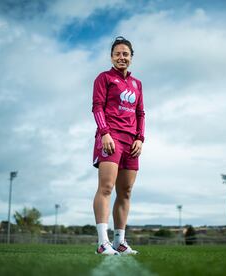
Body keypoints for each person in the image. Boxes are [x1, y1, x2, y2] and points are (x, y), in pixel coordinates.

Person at [92, 36, 145, 255]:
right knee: (106, 188)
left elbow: (141, 113)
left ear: (131, 57)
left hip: (131, 142)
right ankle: (102, 243)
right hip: (110, 137)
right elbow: (97, 107)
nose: (121, 57)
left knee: (126, 192)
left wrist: (140, 138)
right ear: (111, 56)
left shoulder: (137, 84)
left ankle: (119, 242)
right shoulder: (103, 78)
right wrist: (105, 133)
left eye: (126, 54)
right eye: (117, 53)